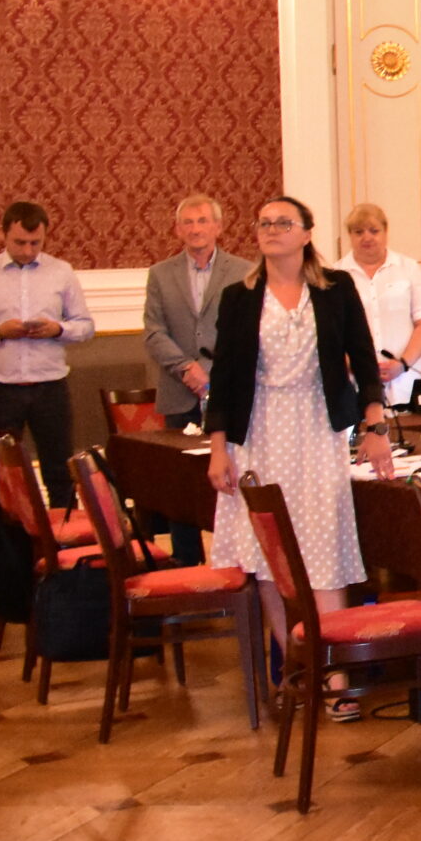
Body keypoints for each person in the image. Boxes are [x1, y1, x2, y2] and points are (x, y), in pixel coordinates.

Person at [204, 197, 396, 721]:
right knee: (268, 552)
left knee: (322, 547)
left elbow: (365, 361)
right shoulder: (239, 297)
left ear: (307, 233)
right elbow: (224, 379)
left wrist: (375, 427)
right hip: (258, 433)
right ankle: (297, 665)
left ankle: (334, 674)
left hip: (317, 430)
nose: (271, 230)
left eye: (283, 223)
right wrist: (218, 448)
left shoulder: (335, 290)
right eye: (264, 223)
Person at [0, 201, 93, 510]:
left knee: (60, 472)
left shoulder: (62, 272)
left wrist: (57, 329)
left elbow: (85, 327)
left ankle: (63, 536)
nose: (28, 251)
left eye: (35, 243)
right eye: (20, 243)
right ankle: (6, 541)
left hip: (50, 388)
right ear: (3, 234)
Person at [137, 194, 248, 564]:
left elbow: (248, 331)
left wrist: (213, 372)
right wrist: (186, 368)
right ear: (177, 229)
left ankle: (235, 561)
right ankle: (186, 562)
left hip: (230, 394)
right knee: (181, 484)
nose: (196, 228)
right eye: (188, 222)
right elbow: (153, 332)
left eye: (203, 221)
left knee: (234, 475)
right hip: (179, 393)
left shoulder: (244, 271)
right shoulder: (160, 274)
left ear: (218, 227)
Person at [335, 204, 421, 410]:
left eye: (374, 231)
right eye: (358, 232)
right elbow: (333, 332)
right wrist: (357, 367)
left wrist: (402, 363)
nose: (367, 238)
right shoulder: (336, 274)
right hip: (355, 382)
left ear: (385, 232)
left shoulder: (408, 268)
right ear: (349, 235)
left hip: (407, 378)